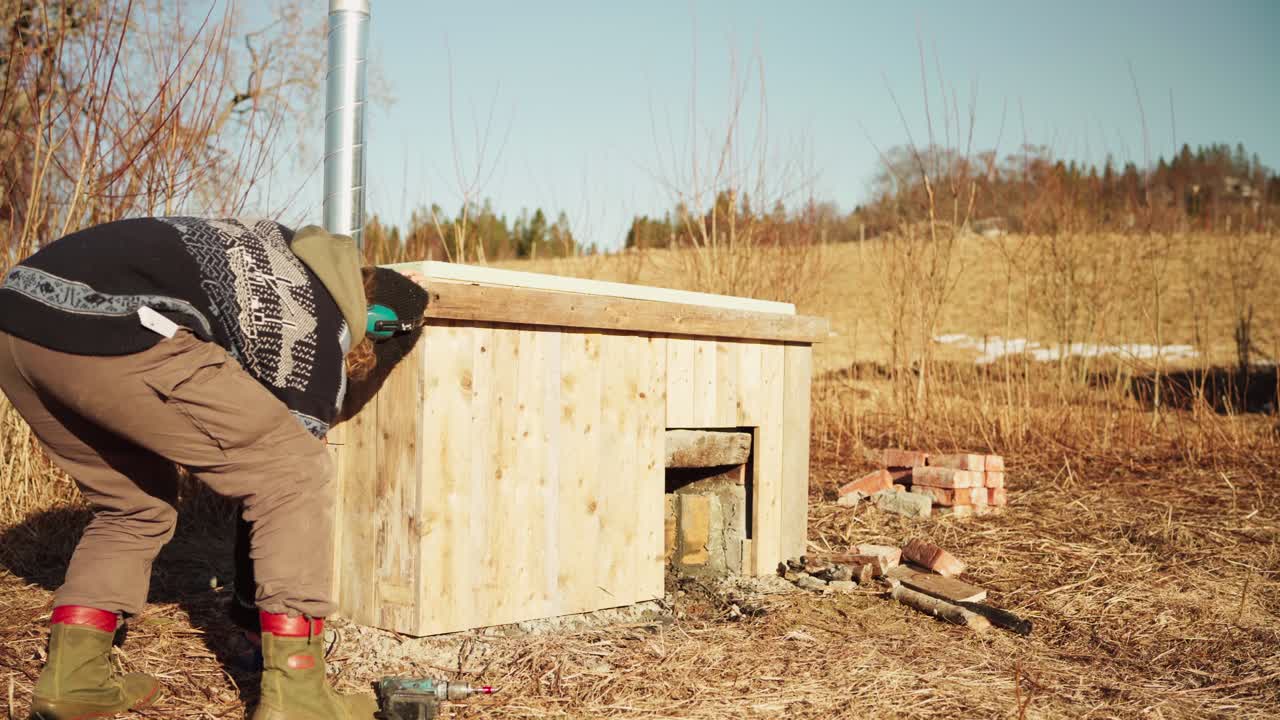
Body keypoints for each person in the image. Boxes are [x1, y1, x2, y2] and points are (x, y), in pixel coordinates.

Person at [0, 216, 428, 720]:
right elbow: (280, 487)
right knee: (296, 469)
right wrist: (253, 612)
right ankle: (300, 696)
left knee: (135, 506)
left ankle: (75, 681)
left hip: (17, 318)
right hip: (119, 325)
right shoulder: (316, 327)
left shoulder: (282, 248)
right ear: (373, 327)